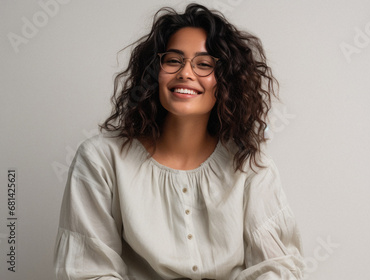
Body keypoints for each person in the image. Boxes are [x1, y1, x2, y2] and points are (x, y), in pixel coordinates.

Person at [54, 4, 304, 280]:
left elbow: (277, 268)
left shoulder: (251, 166)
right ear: (153, 72)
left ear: (227, 81)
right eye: (173, 60)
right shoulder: (101, 160)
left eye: (204, 64)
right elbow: (87, 270)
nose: (186, 73)